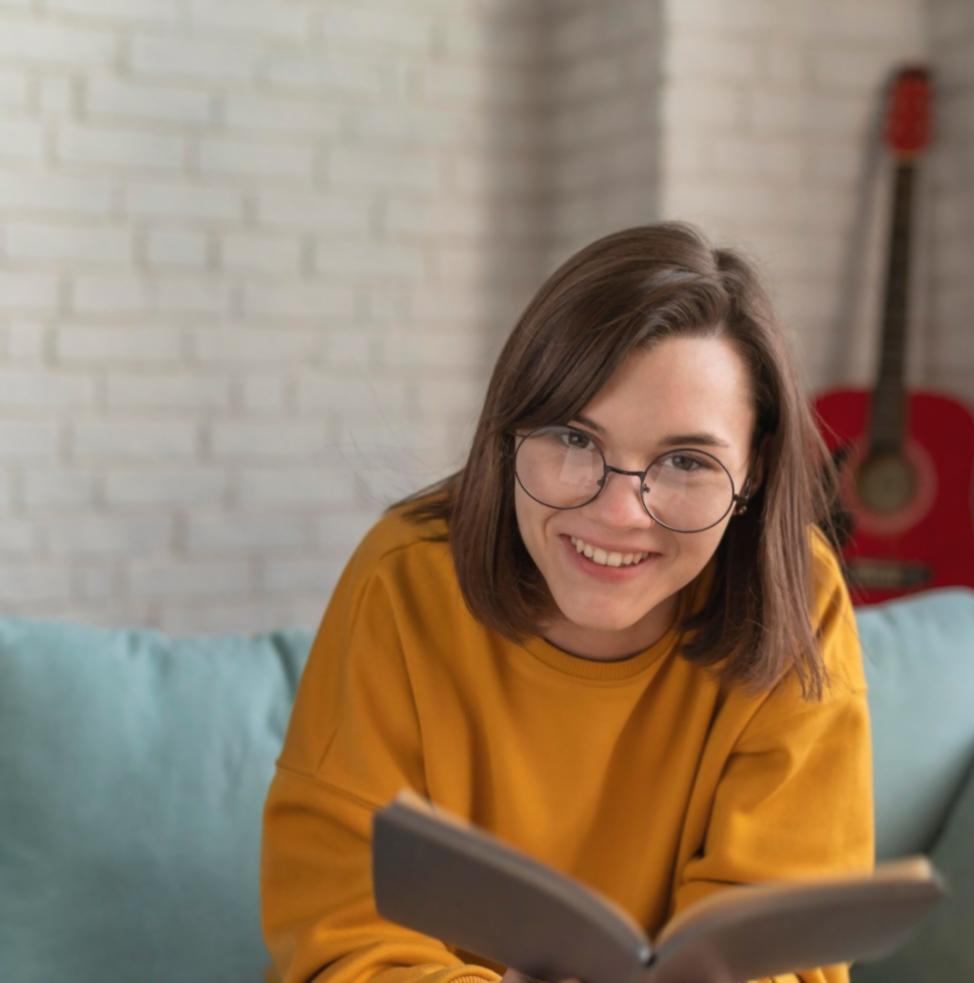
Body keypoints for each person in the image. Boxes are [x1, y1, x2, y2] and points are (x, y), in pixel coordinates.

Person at [259, 220, 875, 983]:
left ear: (753, 475)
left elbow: (787, 957)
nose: (619, 513)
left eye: (686, 460)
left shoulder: (798, 597)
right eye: (575, 440)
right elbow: (341, 935)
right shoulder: (404, 578)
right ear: (508, 434)